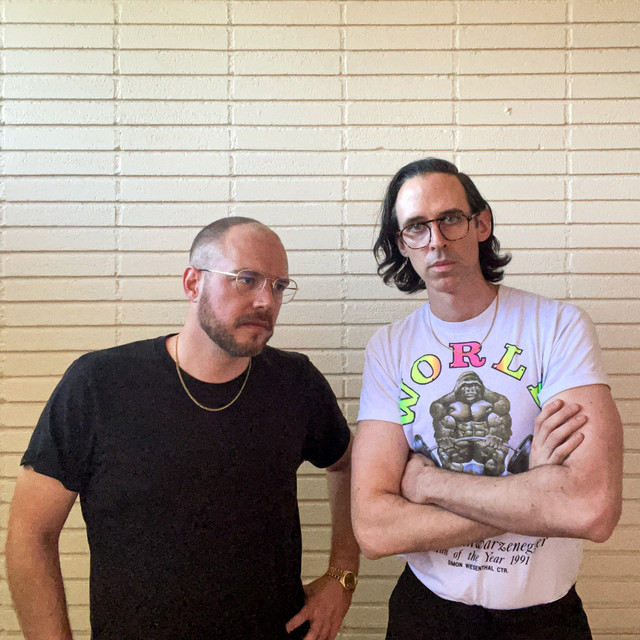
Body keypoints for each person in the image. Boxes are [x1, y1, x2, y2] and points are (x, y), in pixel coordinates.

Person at [6, 217, 360, 640]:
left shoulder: (296, 383)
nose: (266, 301)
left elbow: (347, 463)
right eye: (246, 280)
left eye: (279, 286)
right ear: (193, 283)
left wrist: (342, 575)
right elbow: (31, 533)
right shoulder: (99, 384)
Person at [351, 158, 623, 639]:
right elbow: (374, 530)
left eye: (450, 219)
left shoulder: (557, 328)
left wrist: (428, 483)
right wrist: (533, 488)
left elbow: (590, 510)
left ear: (481, 224)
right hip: (427, 614)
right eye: (416, 227)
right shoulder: (389, 348)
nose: (436, 240)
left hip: (544, 620)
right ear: (402, 243)